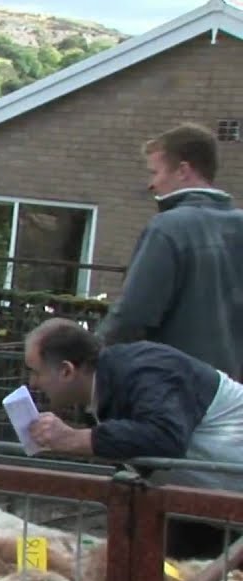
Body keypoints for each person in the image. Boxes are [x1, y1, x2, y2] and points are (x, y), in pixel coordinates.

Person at [24, 318, 243, 558]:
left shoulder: (147, 370)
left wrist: (75, 439)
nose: (32, 383)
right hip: (207, 507)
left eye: (36, 372)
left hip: (219, 499)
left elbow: (164, 437)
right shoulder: (104, 391)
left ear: (67, 371)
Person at [97, 122, 243, 380]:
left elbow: (132, 316)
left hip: (178, 391)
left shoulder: (168, 228)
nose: (151, 184)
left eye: (155, 172)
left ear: (183, 171)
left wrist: (89, 358)